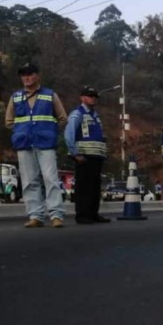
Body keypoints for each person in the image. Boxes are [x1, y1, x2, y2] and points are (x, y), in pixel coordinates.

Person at [5, 62, 67, 228]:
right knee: (29, 181)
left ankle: (56, 215)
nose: (26, 77)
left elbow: (62, 118)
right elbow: (9, 121)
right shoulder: (16, 97)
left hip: (45, 143)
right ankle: (36, 216)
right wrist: (20, 132)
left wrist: (50, 131)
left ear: (37, 76)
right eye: (23, 74)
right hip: (24, 144)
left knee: (50, 179)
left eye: (30, 74)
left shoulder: (49, 95)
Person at [64, 86, 111, 224]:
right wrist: (75, 153)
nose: (93, 99)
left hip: (96, 157)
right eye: (90, 96)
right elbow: (69, 134)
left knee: (94, 187)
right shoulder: (77, 114)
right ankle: (82, 215)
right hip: (84, 157)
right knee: (83, 187)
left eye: (95, 96)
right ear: (82, 98)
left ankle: (93, 213)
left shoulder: (95, 115)